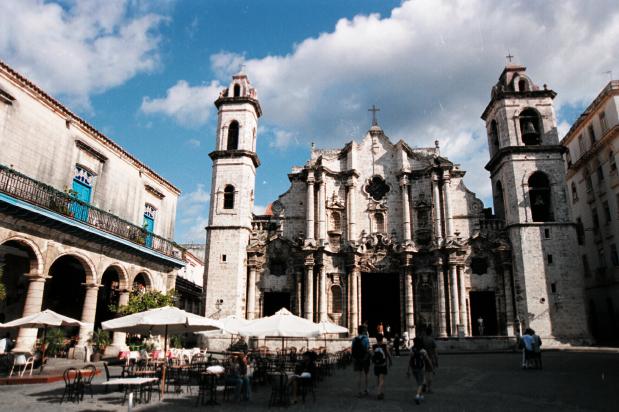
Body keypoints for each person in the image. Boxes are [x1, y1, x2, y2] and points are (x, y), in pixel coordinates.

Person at [407, 337, 432, 405]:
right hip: (421, 368)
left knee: (418, 382)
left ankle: (421, 396)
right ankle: (417, 396)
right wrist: (431, 367)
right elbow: (428, 360)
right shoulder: (423, 350)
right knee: (420, 383)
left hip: (413, 368)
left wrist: (408, 370)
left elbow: (410, 361)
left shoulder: (412, 350)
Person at [351, 325, 371, 397]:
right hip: (365, 359)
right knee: (366, 374)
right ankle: (366, 389)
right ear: (363, 331)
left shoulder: (354, 339)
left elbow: (352, 349)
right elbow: (368, 349)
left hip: (357, 359)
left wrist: (354, 358)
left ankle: (359, 391)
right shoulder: (366, 339)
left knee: (359, 375)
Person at [372, 333, 392, 400]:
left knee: (378, 379)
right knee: (382, 380)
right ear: (382, 339)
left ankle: (380, 392)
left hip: (376, 365)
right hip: (383, 365)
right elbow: (388, 354)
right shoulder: (384, 345)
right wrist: (390, 361)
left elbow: (373, 355)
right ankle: (379, 393)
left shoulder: (374, 346)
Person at [421, 326, 438, 392]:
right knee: (430, 373)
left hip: (423, 357)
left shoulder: (423, 339)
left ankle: (424, 383)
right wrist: (436, 360)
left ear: (426, 332)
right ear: (431, 333)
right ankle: (429, 388)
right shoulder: (432, 340)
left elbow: (421, 348)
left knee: (424, 372)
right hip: (431, 358)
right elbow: (435, 351)